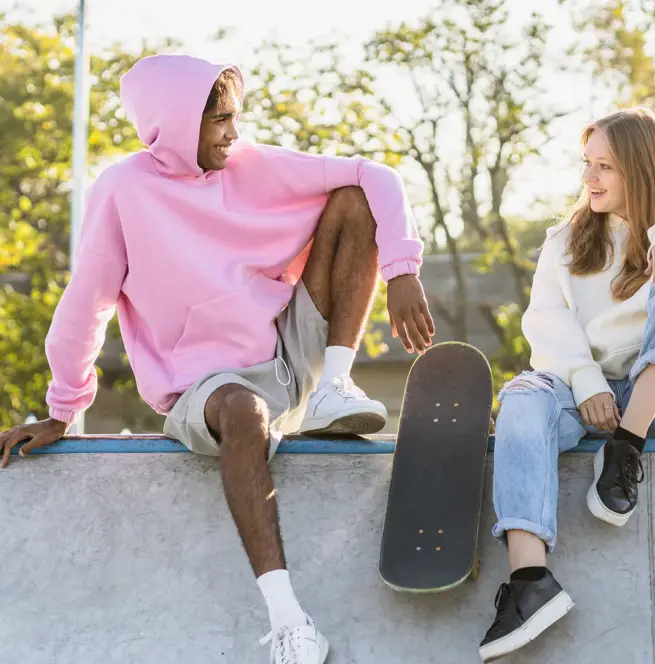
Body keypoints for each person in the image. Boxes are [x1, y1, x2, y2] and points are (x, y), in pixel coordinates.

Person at [0, 55, 436, 664]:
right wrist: (61, 409)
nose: (233, 132)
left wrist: (402, 271)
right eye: (219, 120)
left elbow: (377, 175)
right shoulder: (123, 191)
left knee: (351, 200)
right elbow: (84, 308)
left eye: (236, 117)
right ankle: (288, 619)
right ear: (175, 123)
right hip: (207, 392)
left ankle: (336, 384)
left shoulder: (252, 166)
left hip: (288, 352)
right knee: (244, 409)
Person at [478, 107, 655, 662]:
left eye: (606, 167)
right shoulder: (564, 242)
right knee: (521, 396)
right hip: (587, 391)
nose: (590, 178)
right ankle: (530, 582)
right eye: (586, 164)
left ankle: (625, 453)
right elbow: (546, 321)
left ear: (639, 171)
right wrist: (586, 379)